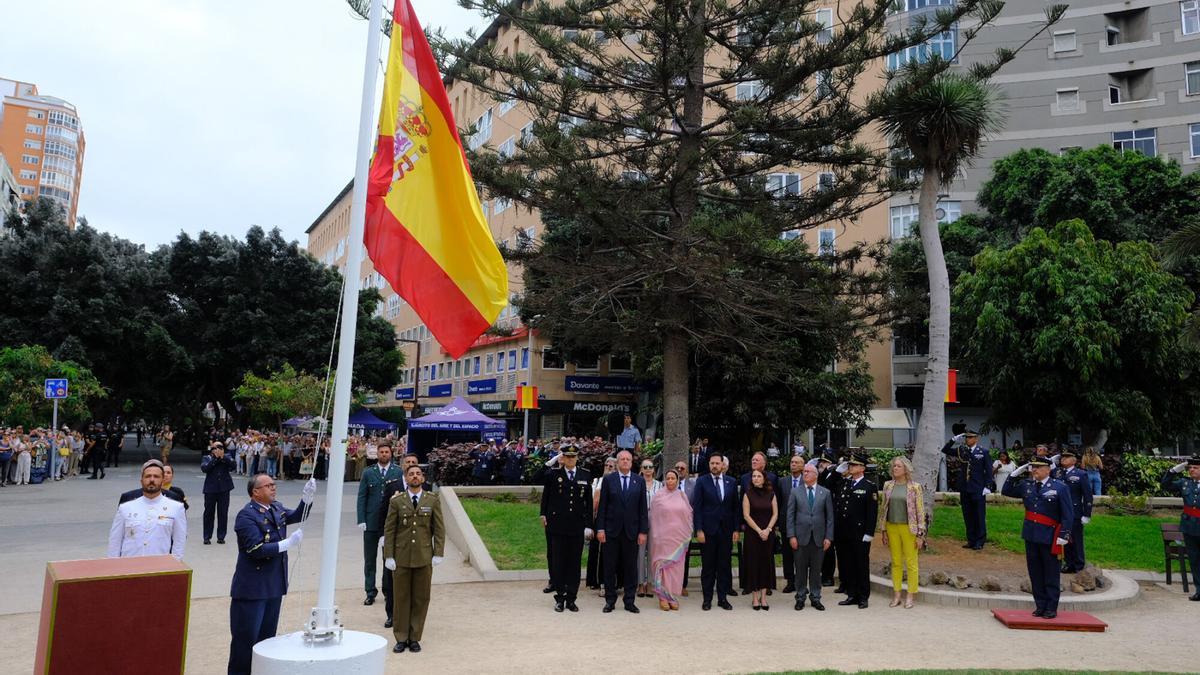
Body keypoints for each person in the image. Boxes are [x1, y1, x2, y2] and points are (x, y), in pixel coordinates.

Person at [227, 474, 316, 675]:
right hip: (252, 589)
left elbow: (296, 516)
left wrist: (307, 500)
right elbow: (255, 549)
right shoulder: (246, 516)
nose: (273, 488)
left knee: (267, 640)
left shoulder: (276, 507)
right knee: (245, 642)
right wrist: (286, 544)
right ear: (255, 492)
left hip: (273, 585)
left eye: (274, 485)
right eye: (268, 486)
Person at [384, 464, 445, 654]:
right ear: (406, 478)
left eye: (418, 474)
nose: (415, 477)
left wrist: (438, 553)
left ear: (423, 478)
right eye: (411, 474)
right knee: (401, 599)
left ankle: (415, 637)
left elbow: (439, 529)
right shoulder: (397, 501)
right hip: (401, 557)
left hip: (424, 557)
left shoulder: (432, 500)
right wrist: (389, 555)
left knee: (421, 598)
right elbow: (390, 529)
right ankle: (401, 637)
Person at [1002, 457, 1073, 619]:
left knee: (1051, 573)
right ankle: (1040, 605)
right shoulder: (1027, 485)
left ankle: (1051, 607)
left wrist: (1064, 535)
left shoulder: (1059, 487)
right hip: (1031, 535)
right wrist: (1014, 474)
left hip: (1050, 536)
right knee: (1035, 573)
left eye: (1039, 467)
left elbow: (1068, 514)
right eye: (1033, 467)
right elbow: (1006, 491)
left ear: (1048, 470)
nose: (1035, 470)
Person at [540, 445, 593, 612]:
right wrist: (553, 460)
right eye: (567, 456)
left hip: (576, 526)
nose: (570, 459)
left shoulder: (585, 474)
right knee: (558, 562)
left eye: (573, 456)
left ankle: (571, 598)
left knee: (574, 563)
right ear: (563, 457)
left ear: (577, 457)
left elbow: (589, 503)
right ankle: (560, 597)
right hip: (557, 526)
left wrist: (588, 525)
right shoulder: (554, 474)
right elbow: (543, 490)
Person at [595, 449, 649, 613]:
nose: (625, 461)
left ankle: (629, 601)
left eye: (628, 459)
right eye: (622, 459)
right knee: (610, 567)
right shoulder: (609, 480)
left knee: (631, 568)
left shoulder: (639, 481)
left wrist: (642, 531)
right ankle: (610, 600)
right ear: (617, 462)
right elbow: (602, 506)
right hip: (611, 531)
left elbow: (642, 510)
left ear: (632, 463)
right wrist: (600, 528)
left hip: (631, 532)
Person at [379, 453, 428, 628]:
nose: (411, 466)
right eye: (408, 463)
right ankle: (392, 614)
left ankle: (412, 622)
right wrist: (383, 537)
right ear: (402, 466)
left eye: (414, 463)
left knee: (417, 588)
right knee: (391, 581)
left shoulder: (426, 489)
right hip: (396, 543)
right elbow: (383, 512)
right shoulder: (393, 486)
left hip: (417, 547)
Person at [107, 460, 186, 560]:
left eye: (156, 476)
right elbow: (115, 541)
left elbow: (179, 542)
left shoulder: (176, 508)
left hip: (160, 568)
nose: (152, 479)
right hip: (129, 567)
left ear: (162, 481)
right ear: (141, 480)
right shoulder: (125, 508)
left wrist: (175, 567)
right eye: (148, 476)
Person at [691, 452, 739, 611]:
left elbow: (735, 508)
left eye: (717, 463)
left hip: (726, 531)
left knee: (724, 565)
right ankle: (707, 599)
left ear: (722, 465)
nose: (714, 466)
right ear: (709, 464)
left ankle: (723, 598)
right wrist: (698, 529)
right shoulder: (702, 481)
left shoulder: (731, 482)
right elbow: (696, 508)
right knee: (708, 566)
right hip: (708, 531)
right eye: (712, 463)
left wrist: (736, 529)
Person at [357, 442, 403, 607]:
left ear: (391, 454)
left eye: (386, 452)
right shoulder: (368, 472)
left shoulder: (397, 471)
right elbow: (362, 496)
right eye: (381, 452)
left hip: (389, 523)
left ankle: (387, 590)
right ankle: (370, 591)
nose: (384, 454)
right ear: (377, 454)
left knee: (388, 558)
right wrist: (361, 519)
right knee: (369, 559)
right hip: (370, 522)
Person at [877, 456, 926, 609]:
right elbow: (884, 508)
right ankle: (897, 594)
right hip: (892, 527)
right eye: (894, 466)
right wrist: (883, 530)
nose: (895, 468)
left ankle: (910, 595)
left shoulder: (915, 487)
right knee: (896, 562)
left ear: (905, 469)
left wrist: (920, 534)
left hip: (909, 528)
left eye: (898, 466)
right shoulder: (888, 485)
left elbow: (920, 510)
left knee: (911, 562)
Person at [833, 453, 878, 608]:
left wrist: (869, 533)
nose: (850, 467)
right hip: (843, 531)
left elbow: (872, 512)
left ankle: (863, 596)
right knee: (847, 564)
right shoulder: (845, 484)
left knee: (861, 564)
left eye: (854, 465)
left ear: (862, 468)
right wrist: (838, 470)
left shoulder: (868, 486)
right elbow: (832, 484)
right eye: (849, 465)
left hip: (860, 533)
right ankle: (852, 594)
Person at [787, 462, 833, 611]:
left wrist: (829, 537)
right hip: (800, 538)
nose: (804, 473)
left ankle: (815, 597)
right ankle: (800, 597)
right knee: (800, 570)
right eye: (804, 471)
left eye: (808, 471)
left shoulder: (825, 493)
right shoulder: (795, 492)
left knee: (816, 570)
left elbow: (830, 518)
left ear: (815, 475)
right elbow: (790, 516)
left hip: (819, 538)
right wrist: (791, 535)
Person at [649, 469, 693, 611]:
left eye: (673, 478)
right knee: (663, 567)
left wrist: (688, 533)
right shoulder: (658, 497)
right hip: (662, 538)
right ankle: (662, 597)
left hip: (678, 539)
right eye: (667, 478)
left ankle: (672, 596)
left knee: (675, 569)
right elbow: (654, 518)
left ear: (677, 480)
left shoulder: (682, 496)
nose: (670, 481)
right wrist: (656, 536)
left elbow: (688, 515)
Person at [942, 430, 991, 550]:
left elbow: (988, 470)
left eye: (970, 438)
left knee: (979, 515)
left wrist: (987, 486)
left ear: (976, 439)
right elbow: (945, 450)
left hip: (978, 488)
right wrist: (953, 440)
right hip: (965, 488)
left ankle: (980, 541)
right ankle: (971, 540)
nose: (967, 440)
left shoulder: (983, 452)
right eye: (966, 438)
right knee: (967, 515)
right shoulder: (962, 450)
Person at [1160, 456, 1200, 601]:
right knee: (1194, 560)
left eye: (1195, 468)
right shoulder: (1185, 483)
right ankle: (1199, 590)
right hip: (1189, 527)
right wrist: (1174, 470)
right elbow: (1165, 485)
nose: (1192, 470)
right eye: (1190, 468)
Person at [741, 469, 778, 610]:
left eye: (759, 476)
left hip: (768, 535)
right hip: (753, 535)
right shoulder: (747, 494)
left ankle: (764, 598)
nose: (756, 478)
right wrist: (759, 531)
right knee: (753, 564)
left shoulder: (771, 494)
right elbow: (746, 515)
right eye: (754, 476)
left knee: (765, 564)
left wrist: (768, 530)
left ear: (764, 479)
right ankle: (755, 598)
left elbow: (775, 514)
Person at [1052, 450, 1093, 573]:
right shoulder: (1058, 473)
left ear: (1074, 460)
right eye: (1062, 457)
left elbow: (1087, 495)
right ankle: (1069, 563)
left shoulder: (1081, 474)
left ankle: (1079, 564)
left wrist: (1087, 513)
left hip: (1075, 512)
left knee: (1076, 539)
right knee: (1064, 538)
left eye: (1067, 457)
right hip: (1060, 512)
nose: (1063, 459)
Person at [586, 457, 617, 594]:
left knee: (609, 552)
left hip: (612, 520)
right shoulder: (597, 481)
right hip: (597, 519)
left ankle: (609, 582)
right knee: (595, 551)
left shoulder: (617, 482)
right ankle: (595, 581)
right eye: (606, 465)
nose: (608, 467)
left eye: (611, 466)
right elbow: (592, 502)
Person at [776, 455, 805, 594]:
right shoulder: (782, 482)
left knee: (802, 555)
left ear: (802, 466)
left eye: (796, 462)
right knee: (787, 554)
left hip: (802, 525)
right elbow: (778, 503)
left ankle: (802, 583)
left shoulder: (807, 481)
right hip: (785, 524)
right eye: (792, 462)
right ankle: (790, 582)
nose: (793, 464)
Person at [201, 441, 237, 545]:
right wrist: (216, 459)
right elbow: (205, 468)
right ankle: (207, 537)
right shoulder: (207, 458)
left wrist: (223, 457)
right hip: (210, 489)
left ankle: (221, 536)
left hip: (224, 489)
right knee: (208, 513)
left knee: (223, 513)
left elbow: (233, 466)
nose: (217, 449)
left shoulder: (227, 456)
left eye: (220, 447)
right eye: (215, 447)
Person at [636, 458, 662, 598]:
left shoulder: (660, 485)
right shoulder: (637, 483)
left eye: (650, 467)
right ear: (641, 469)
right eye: (645, 466)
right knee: (640, 553)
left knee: (653, 553)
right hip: (640, 521)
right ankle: (640, 583)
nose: (647, 469)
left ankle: (651, 583)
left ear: (654, 469)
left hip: (655, 522)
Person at [816, 455, 842, 587]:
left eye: (824, 462)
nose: (821, 464)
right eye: (820, 462)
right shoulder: (821, 475)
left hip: (831, 516)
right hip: (820, 516)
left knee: (829, 548)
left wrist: (828, 470)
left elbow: (828, 486)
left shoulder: (834, 475)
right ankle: (823, 574)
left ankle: (828, 576)